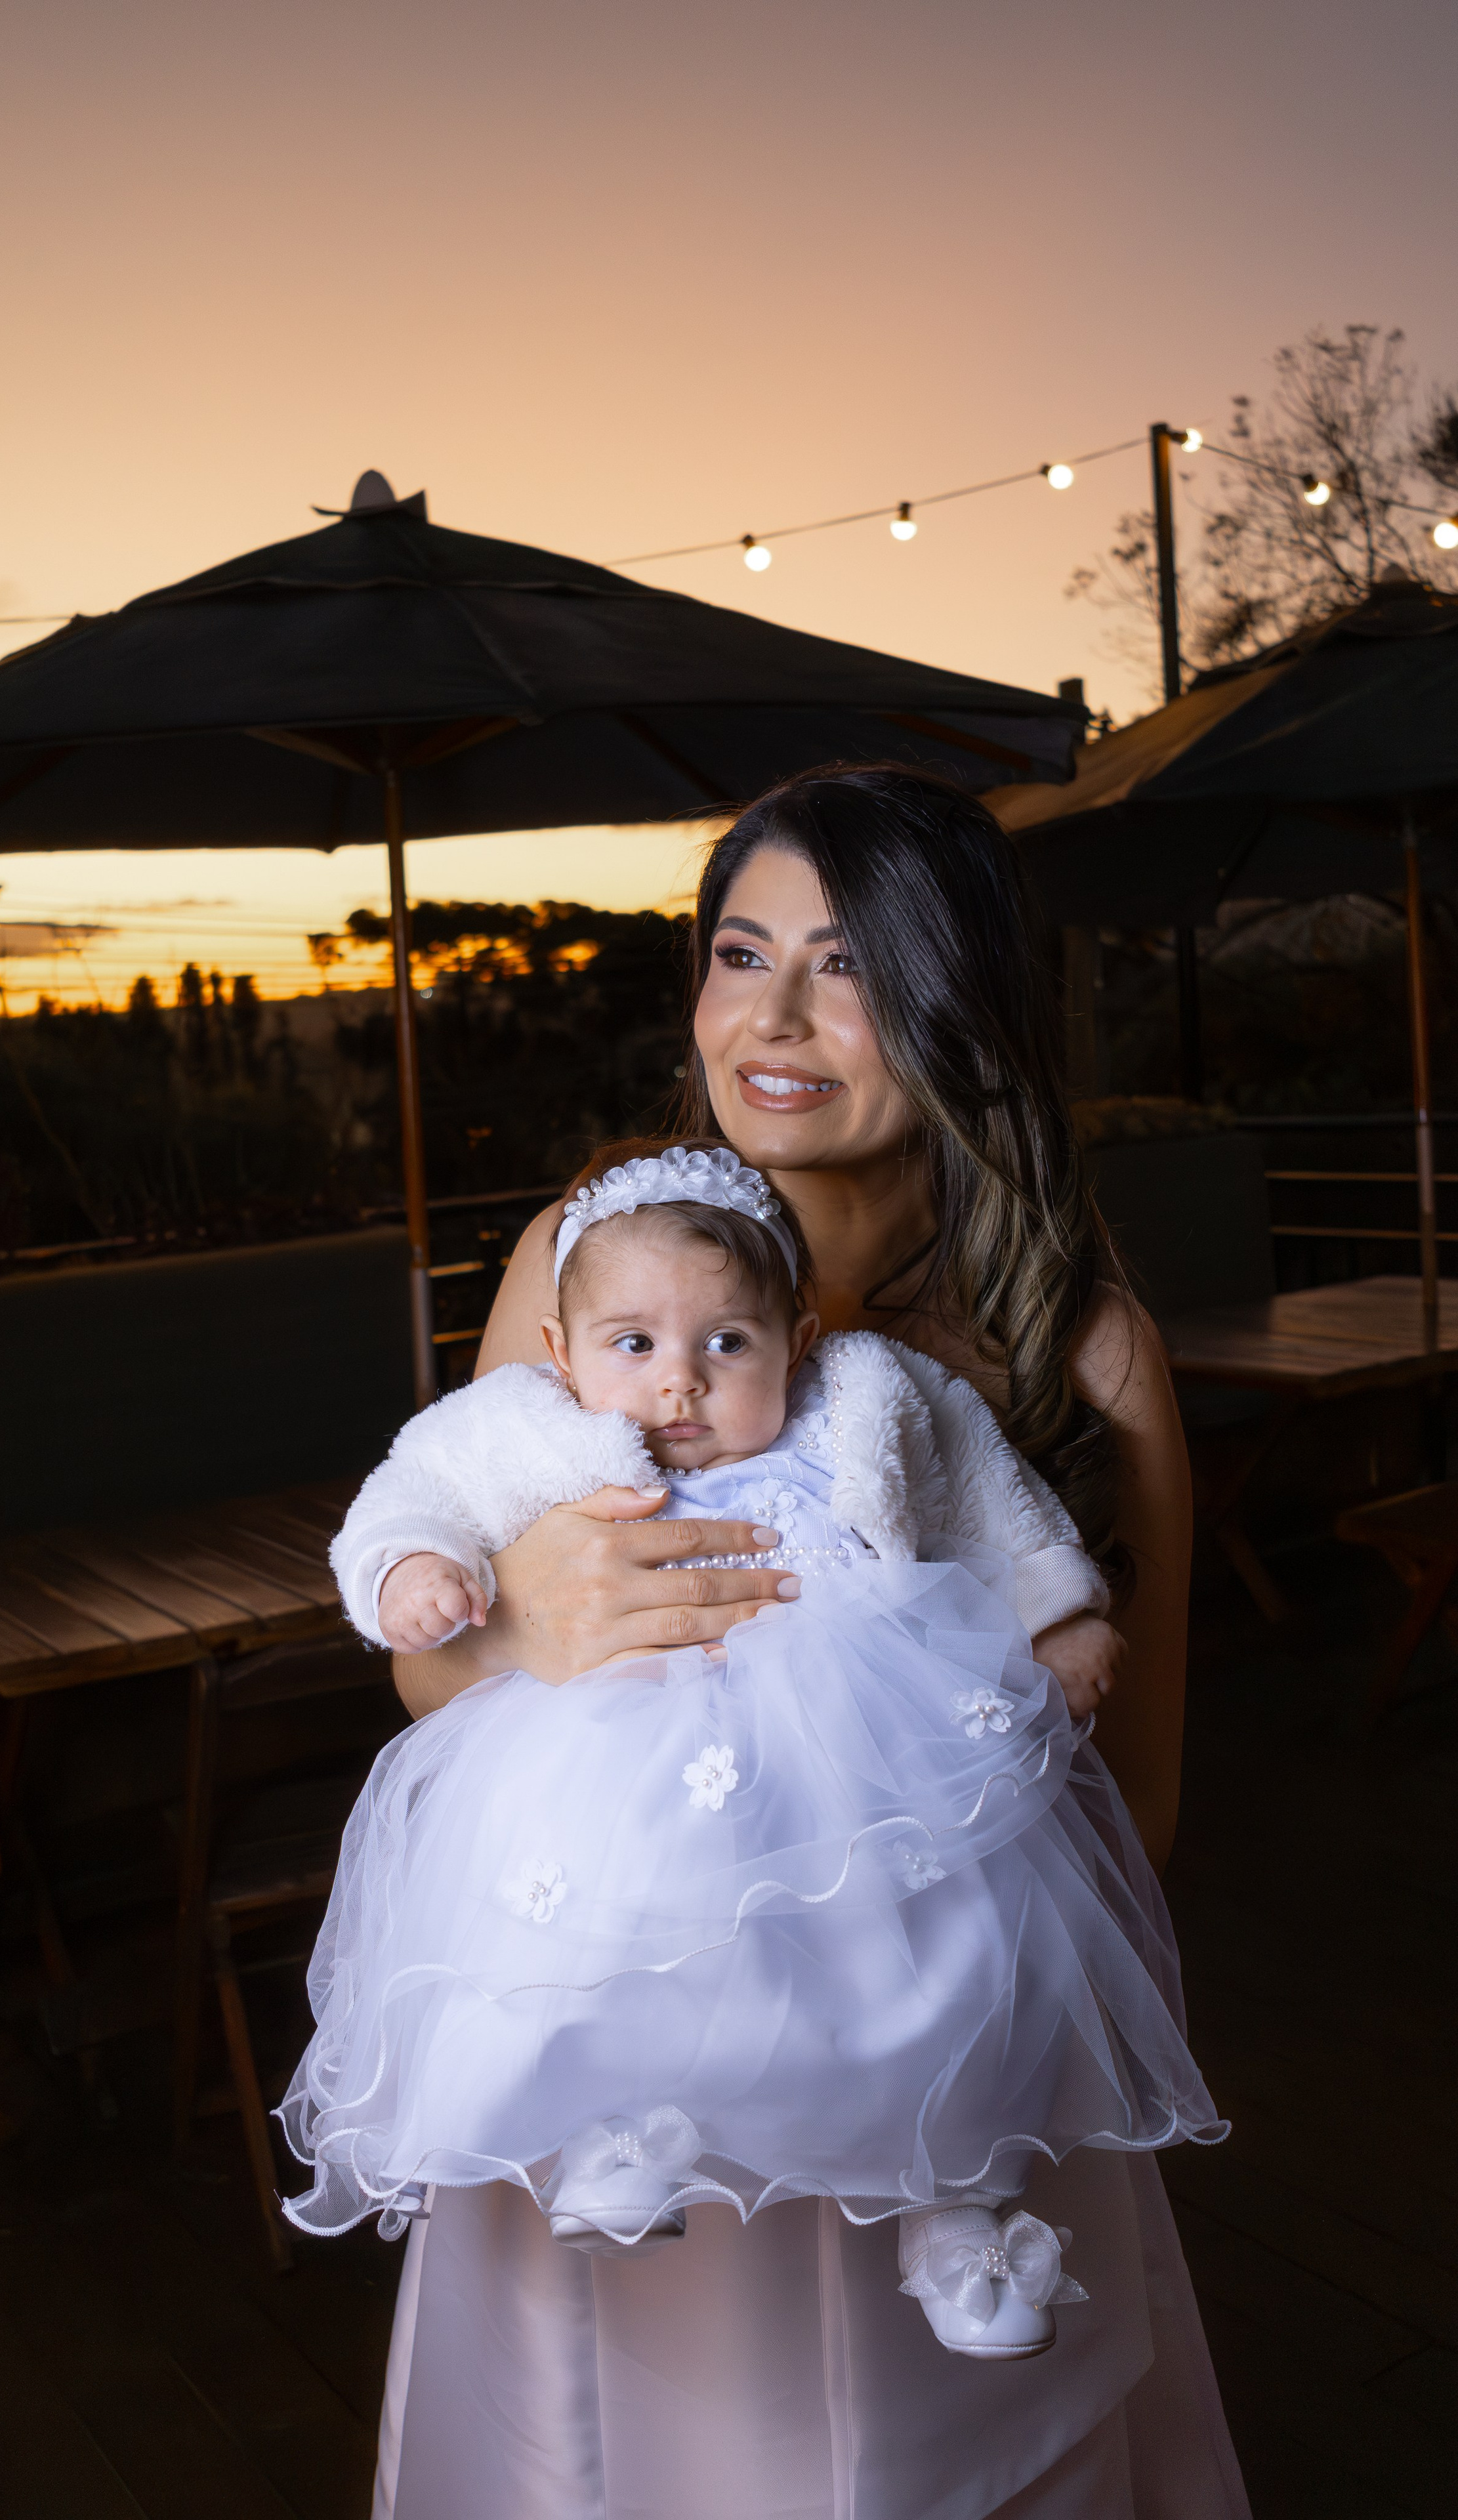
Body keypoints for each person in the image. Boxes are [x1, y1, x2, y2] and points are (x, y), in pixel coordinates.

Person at [359, 766, 1247, 2519]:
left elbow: (1135, 1822)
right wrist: (515, 1626)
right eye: (739, 952)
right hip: (627, 2091)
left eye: (841, 968)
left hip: (954, 2079)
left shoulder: (1075, 1347)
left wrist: (889, 1943)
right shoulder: (589, 1270)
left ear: (953, 1004)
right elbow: (426, 1680)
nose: (769, 1020)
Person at [282, 1139, 1224, 2372]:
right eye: (633, 1348)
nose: (678, 1386)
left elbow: (990, 1499)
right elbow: (416, 1486)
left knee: (950, 1961)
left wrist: (1060, 1607)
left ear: (800, 1336)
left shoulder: (871, 1394)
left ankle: (961, 2218)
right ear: (562, 1356)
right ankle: (619, 2130)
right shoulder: (529, 1422)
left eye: (727, 1345)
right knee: (612, 1928)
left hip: (865, 1762)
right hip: (621, 1762)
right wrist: (414, 1569)